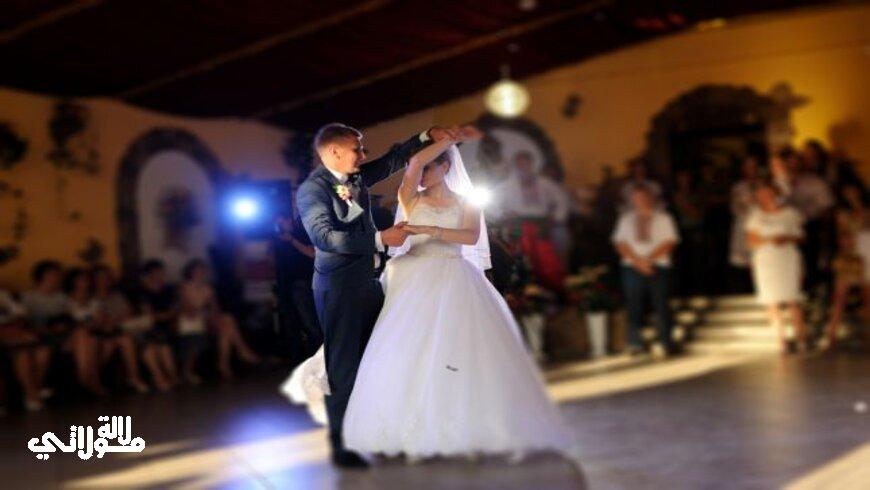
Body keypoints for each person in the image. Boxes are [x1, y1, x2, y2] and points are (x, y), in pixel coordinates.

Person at [287, 131, 574, 465]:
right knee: (387, 355)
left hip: (446, 276)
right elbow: (406, 168)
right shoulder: (405, 194)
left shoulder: (464, 200)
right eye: (357, 149)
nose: (421, 174)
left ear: (446, 167)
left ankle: (452, 425)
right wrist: (446, 141)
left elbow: (470, 235)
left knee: (448, 352)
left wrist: (430, 227)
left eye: (429, 168)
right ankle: (361, 437)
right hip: (398, 279)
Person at [294, 122, 455, 468]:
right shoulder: (312, 190)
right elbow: (324, 238)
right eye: (357, 149)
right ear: (334, 151)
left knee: (379, 358)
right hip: (339, 288)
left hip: (369, 283)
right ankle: (343, 447)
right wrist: (381, 239)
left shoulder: (353, 177)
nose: (363, 155)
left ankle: (381, 434)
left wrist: (425, 137)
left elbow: (391, 161)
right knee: (344, 367)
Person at [612, 186, 680, 357]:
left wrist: (648, 260)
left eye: (644, 197)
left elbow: (670, 241)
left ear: (651, 198)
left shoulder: (664, 218)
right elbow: (620, 243)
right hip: (632, 266)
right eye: (636, 197)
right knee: (633, 304)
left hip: (658, 265)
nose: (640, 200)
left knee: (661, 304)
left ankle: (665, 341)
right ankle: (634, 342)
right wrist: (637, 261)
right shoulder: (625, 220)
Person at [21, 260, 105, 397]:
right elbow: (24, 321)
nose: (58, 278)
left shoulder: (61, 297)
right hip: (40, 335)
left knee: (84, 335)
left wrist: (66, 325)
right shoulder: (28, 297)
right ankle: (34, 391)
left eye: (58, 275)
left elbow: (72, 317)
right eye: (54, 274)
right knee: (45, 351)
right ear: (43, 276)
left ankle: (86, 378)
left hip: (62, 335)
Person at [745, 182, 810, 353]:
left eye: (767, 193)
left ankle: (801, 337)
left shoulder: (790, 213)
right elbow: (750, 240)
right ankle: (781, 339)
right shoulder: (755, 215)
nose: (764, 197)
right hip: (766, 259)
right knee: (771, 300)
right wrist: (769, 240)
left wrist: (786, 238)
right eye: (760, 194)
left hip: (787, 257)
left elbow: (801, 236)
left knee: (792, 298)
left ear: (774, 193)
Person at [177, 259, 261, 382]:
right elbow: (188, 310)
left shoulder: (208, 288)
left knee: (226, 324)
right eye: (198, 271)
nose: (201, 273)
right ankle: (240, 353)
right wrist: (206, 313)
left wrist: (212, 315)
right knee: (227, 322)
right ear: (191, 272)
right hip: (190, 320)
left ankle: (225, 363)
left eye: (202, 271)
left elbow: (215, 308)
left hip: (206, 318)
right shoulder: (184, 287)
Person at [272, 211, 321, 364]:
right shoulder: (278, 240)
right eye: (279, 223)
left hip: (303, 284)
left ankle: (317, 357)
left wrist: (292, 240)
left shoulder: (300, 233)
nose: (282, 224)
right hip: (287, 286)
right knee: (292, 324)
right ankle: (296, 359)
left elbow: (312, 253)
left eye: (283, 221)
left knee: (311, 324)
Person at [91, 265, 150, 393]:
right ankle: (92, 379)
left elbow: (128, 313)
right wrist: (113, 320)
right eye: (100, 277)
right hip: (100, 333)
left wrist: (114, 320)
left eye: (106, 277)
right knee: (112, 343)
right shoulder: (92, 299)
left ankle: (134, 377)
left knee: (126, 340)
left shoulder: (116, 296)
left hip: (119, 330)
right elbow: (99, 319)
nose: (104, 281)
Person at [131, 260, 180, 392]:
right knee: (149, 346)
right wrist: (165, 315)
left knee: (163, 347)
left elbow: (175, 310)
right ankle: (158, 377)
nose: (160, 276)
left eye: (161, 272)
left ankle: (170, 375)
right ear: (149, 274)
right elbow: (148, 315)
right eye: (156, 273)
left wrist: (165, 316)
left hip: (165, 327)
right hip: (146, 327)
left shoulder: (169, 290)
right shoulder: (142, 292)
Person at [0, 290, 42, 410]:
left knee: (24, 353)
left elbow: (21, 314)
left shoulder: (4, 295)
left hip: (11, 336)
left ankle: (31, 394)